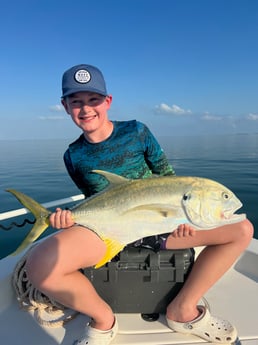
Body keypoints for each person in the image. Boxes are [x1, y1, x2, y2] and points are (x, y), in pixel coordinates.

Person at [25, 64, 254, 345]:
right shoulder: (73, 154)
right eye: (76, 102)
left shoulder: (136, 131)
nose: (86, 109)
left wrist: (182, 221)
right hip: (111, 228)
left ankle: (183, 308)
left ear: (107, 101)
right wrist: (67, 220)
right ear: (65, 106)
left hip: (164, 227)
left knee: (242, 229)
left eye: (93, 100)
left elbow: (168, 179)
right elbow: (94, 200)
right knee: (40, 264)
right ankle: (103, 320)